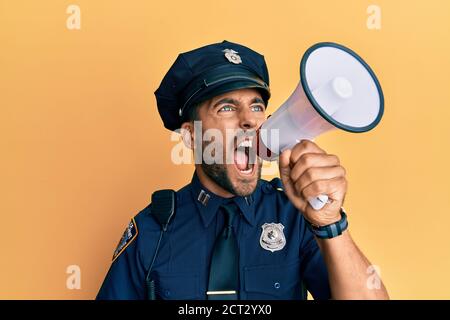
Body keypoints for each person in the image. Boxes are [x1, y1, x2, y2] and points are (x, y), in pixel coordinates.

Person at [96, 40, 389, 300]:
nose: (249, 121)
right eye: (226, 107)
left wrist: (330, 223)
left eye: (257, 106)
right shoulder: (151, 229)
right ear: (191, 135)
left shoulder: (296, 217)